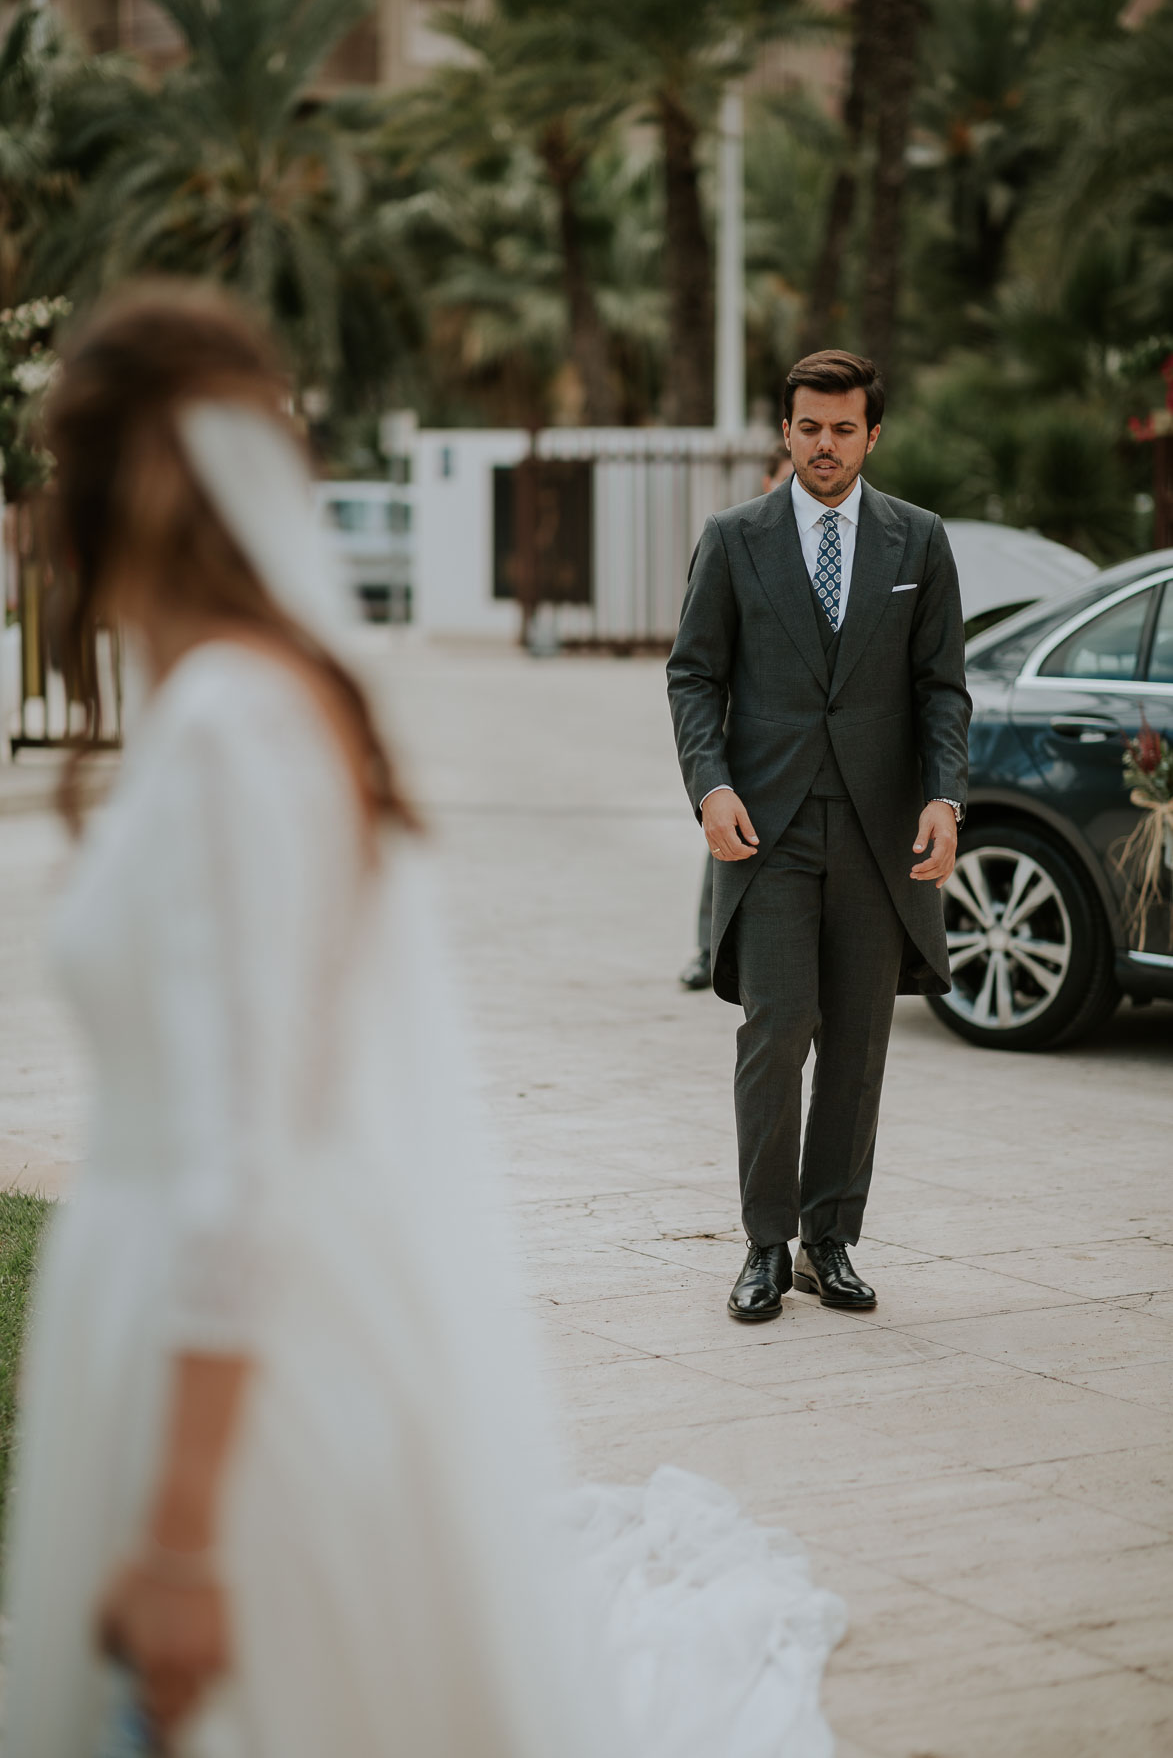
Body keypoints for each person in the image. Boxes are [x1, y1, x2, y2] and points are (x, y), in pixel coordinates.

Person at [3, 284, 846, 1758]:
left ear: (127, 483)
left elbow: (241, 1145)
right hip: (209, 1319)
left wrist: (187, 1530)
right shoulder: (259, 699)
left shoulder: (231, 727)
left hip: (220, 1363)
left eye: (57, 477)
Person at [667, 350, 970, 1321]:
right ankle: (763, 1244)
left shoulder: (918, 542)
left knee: (859, 1042)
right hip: (769, 834)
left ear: (871, 434)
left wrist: (944, 797)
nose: (825, 446)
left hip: (881, 833)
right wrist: (709, 786)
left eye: (844, 429)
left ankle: (827, 1239)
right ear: (784, 431)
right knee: (777, 1029)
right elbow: (693, 677)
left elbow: (942, 690)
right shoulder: (733, 539)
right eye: (809, 427)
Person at [678, 443, 794, 992]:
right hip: (750, 742)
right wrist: (711, 778)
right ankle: (710, 945)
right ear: (769, 481)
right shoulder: (734, 540)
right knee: (725, 836)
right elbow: (697, 666)